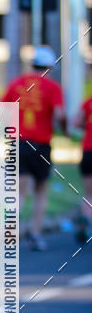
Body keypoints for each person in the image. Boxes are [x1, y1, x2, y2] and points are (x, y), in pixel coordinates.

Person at [1, 45, 66, 251]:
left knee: (19, 192)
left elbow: (1, 111)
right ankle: (35, 235)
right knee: (40, 192)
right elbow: (60, 115)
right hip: (41, 145)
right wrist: (64, 130)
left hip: (18, 143)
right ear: (49, 67)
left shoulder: (17, 83)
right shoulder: (53, 87)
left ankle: (9, 234)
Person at [71, 93, 92, 244]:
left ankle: (86, 221)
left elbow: (76, 122)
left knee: (89, 193)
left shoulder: (88, 102)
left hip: (88, 151)